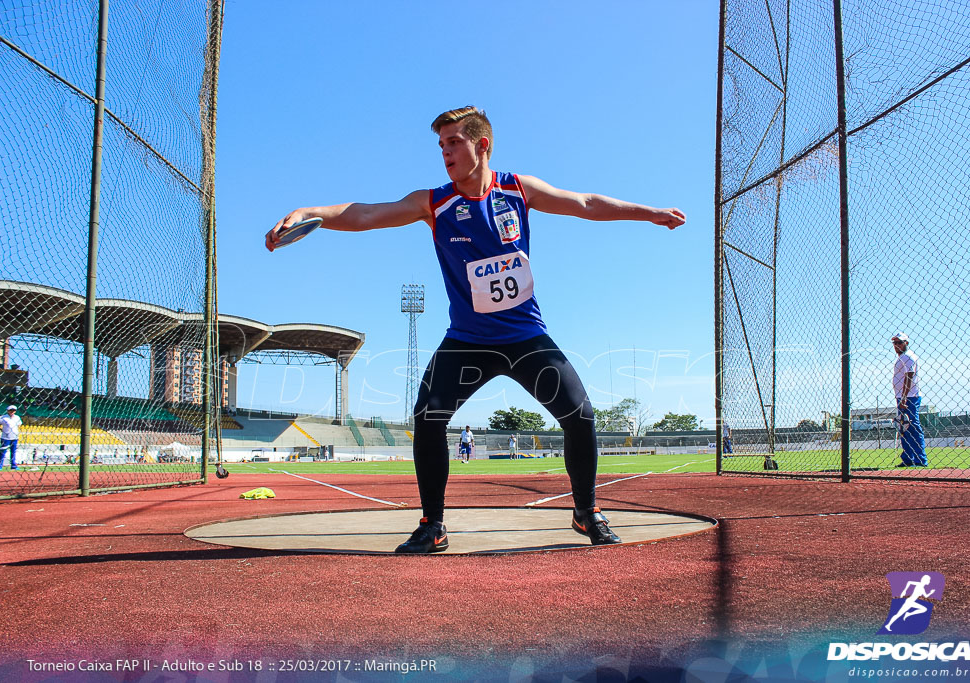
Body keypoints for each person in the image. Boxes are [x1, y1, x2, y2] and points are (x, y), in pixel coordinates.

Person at [267, 106, 685, 553]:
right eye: (441, 145)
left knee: (579, 416)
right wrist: (311, 211)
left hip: (526, 338)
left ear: (481, 144)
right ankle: (432, 525)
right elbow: (367, 213)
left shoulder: (517, 189)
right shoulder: (434, 202)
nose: (444, 153)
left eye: (453, 143)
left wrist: (650, 212)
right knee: (428, 417)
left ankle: (586, 511)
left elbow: (584, 203)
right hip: (467, 341)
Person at [891, 332, 927, 467]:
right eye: (895, 343)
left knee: (912, 426)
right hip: (902, 396)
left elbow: (909, 376)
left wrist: (904, 397)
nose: (896, 345)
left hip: (909, 397)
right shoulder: (902, 357)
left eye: (899, 342)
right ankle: (908, 458)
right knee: (904, 427)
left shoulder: (908, 357)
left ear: (906, 343)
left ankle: (919, 459)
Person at [0, 405, 22, 471]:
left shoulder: (17, 417)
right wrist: (0, 428)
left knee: (13, 452)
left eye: (13, 410)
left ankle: (13, 465)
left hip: (14, 437)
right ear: (8, 410)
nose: (12, 412)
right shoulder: (3, 418)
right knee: (2, 452)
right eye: (11, 410)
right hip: (5, 438)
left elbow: (19, 424)